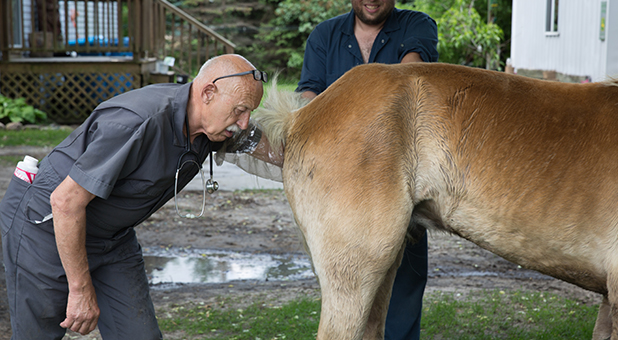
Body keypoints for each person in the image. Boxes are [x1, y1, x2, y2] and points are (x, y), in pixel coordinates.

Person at [0, 54, 280, 339]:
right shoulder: (136, 122)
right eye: (240, 110)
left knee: (139, 335)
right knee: (38, 334)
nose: (244, 123)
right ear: (208, 93)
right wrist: (80, 288)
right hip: (44, 227)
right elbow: (65, 202)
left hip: (111, 237)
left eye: (249, 113)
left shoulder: (213, 124)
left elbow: (265, 146)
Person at [296, 1, 438, 339]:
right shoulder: (324, 35)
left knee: (403, 287)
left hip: (400, 187)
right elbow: (307, 98)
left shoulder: (418, 25)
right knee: (347, 291)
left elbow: (409, 78)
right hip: (341, 190)